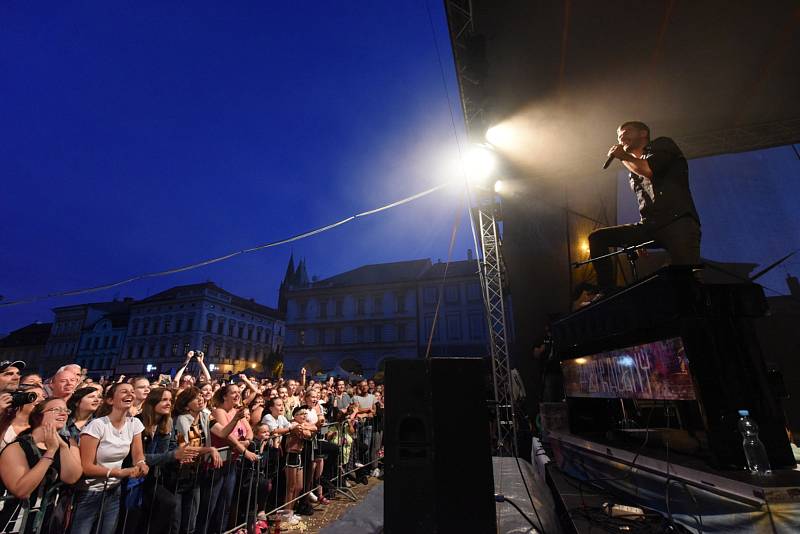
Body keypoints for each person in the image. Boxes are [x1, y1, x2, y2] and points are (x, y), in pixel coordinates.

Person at [588, 121, 701, 299]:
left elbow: (649, 170)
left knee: (686, 283)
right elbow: (645, 201)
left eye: (626, 132)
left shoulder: (663, 145)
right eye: (619, 135)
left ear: (643, 133)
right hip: (651, 226)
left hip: (677, 223)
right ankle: (606, 290)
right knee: (597, 237)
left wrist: (623, 156)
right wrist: (639, 237)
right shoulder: (632, 170)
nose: (621, 137)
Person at [71, 382, 149, 534]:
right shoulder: (97, 425)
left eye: (132, 392)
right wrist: (117, 473)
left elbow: (138, 454)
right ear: (110, 400)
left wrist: (141, 464)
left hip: (114, 490)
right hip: (90, 491)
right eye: (124, 391)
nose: (130, 394)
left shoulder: (135, 423)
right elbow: (86, 467)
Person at [0, 398, 83, 534]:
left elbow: (71, 478)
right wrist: (50, 452)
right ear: (38, 417)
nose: (63, 413)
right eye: (56, 409)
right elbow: (22, 490)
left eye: (65, 410)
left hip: (47, 522)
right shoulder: (18, 447)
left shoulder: (67, 444)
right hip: (15, 520)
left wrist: (62, 448)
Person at [0, 386, 45, 451]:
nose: (42, 400)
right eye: (34, 396)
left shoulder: (40, 428)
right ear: (21, 398)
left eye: (44, 396)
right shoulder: (4, 422)